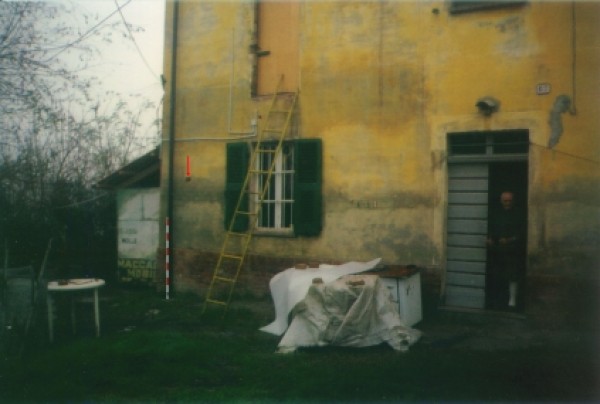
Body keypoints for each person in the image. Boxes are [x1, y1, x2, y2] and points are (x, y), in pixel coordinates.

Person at [487, 191, 525, 309]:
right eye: (505, 201)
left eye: (509, 201)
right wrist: (490, 238)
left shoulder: (518, 214)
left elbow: (522, 233)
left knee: (513, 275)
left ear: (513, 201)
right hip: (498, 250)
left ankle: (512, 301)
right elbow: (492, 228)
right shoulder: (496, 214)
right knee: (498, 274)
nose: (507, 203)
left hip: (513, 250)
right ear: (501, 201)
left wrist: (509, 240)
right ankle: (499, 301)